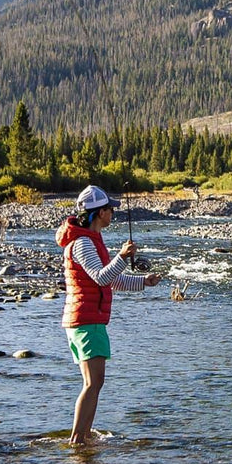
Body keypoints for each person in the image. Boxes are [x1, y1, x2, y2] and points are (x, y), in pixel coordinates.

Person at [57, 184, 162, 445]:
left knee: (93, 383)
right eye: (109, 209)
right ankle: (78, 440)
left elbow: (109, 282)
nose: (112, 213)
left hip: (86, 320)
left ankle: (82, 438)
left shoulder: (89, 241)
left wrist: (143, 282)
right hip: (86, 320)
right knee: (93, 383)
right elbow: (101, 276)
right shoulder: (82, 243)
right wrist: (122, 256)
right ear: (98, 212)